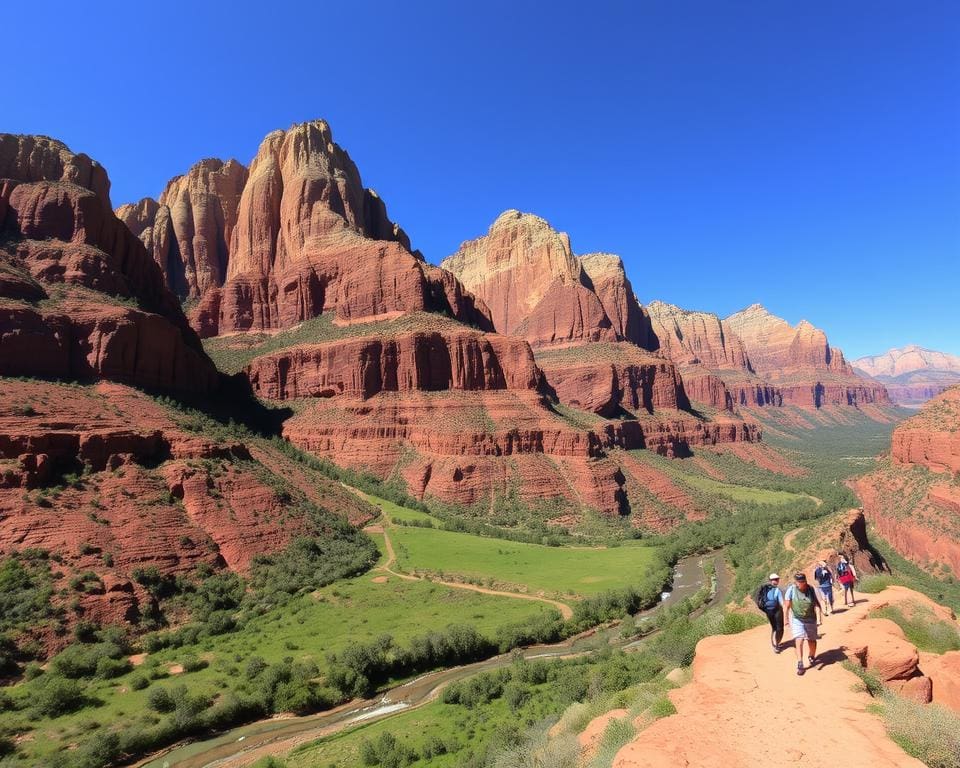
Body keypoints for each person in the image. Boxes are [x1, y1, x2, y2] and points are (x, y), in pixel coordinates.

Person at [784, 572, 821, 676]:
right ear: (796, 582)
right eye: (800, 582)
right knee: (799, 639)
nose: (802, 583)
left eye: (803, 581)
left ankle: (812, 655)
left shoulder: (811, 589)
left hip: (810, 618)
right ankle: (800, 663)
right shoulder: (791, 590)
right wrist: (786, 619)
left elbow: (817, 605)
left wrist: (819, 619)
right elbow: (786, 606)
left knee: (812, 641)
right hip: (797, 619)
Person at [755, 573, 785, 652]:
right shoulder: (777, 590)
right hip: (777, 610)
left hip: (768, 611)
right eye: (776, 579)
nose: (777, 581)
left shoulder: (765, 589)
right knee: (780, 628)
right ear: (777, 580)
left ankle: (774, 644)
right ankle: (777, 644)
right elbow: (781, 602)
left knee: (774, 628)